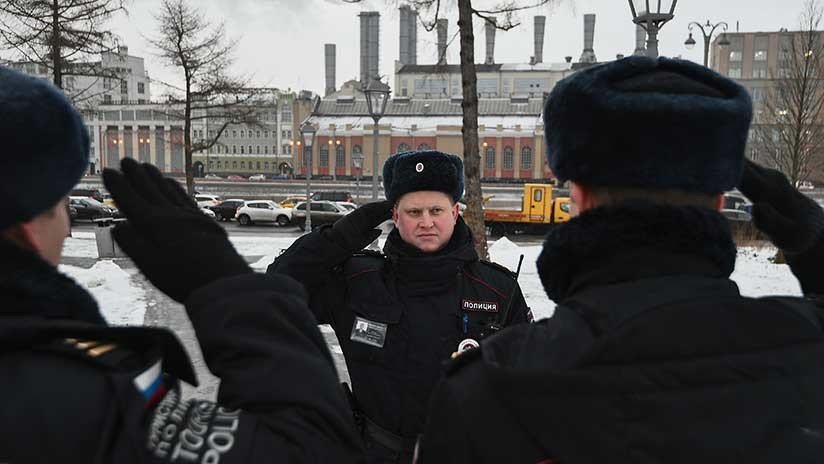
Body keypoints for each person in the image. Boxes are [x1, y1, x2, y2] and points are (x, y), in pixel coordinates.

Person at [416, 56, 824, 463]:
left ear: (576, 198)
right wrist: (814, 243)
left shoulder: (486, 392)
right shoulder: (804, 351)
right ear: (719, 201)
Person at [0, 65, 363, 462]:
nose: (66, 221)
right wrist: (232, 287)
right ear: (29, 224)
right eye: (62, 203)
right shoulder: (71, 396)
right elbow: (310, 449)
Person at [268, 150, 531, 463]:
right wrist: (336, 240)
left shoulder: (497, 290)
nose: (426, 222)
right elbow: (274, 296)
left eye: (436, 210)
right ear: (395, 216)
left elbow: (526, 386)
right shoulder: (358, 280)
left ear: (454, 212)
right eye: (414, 212)